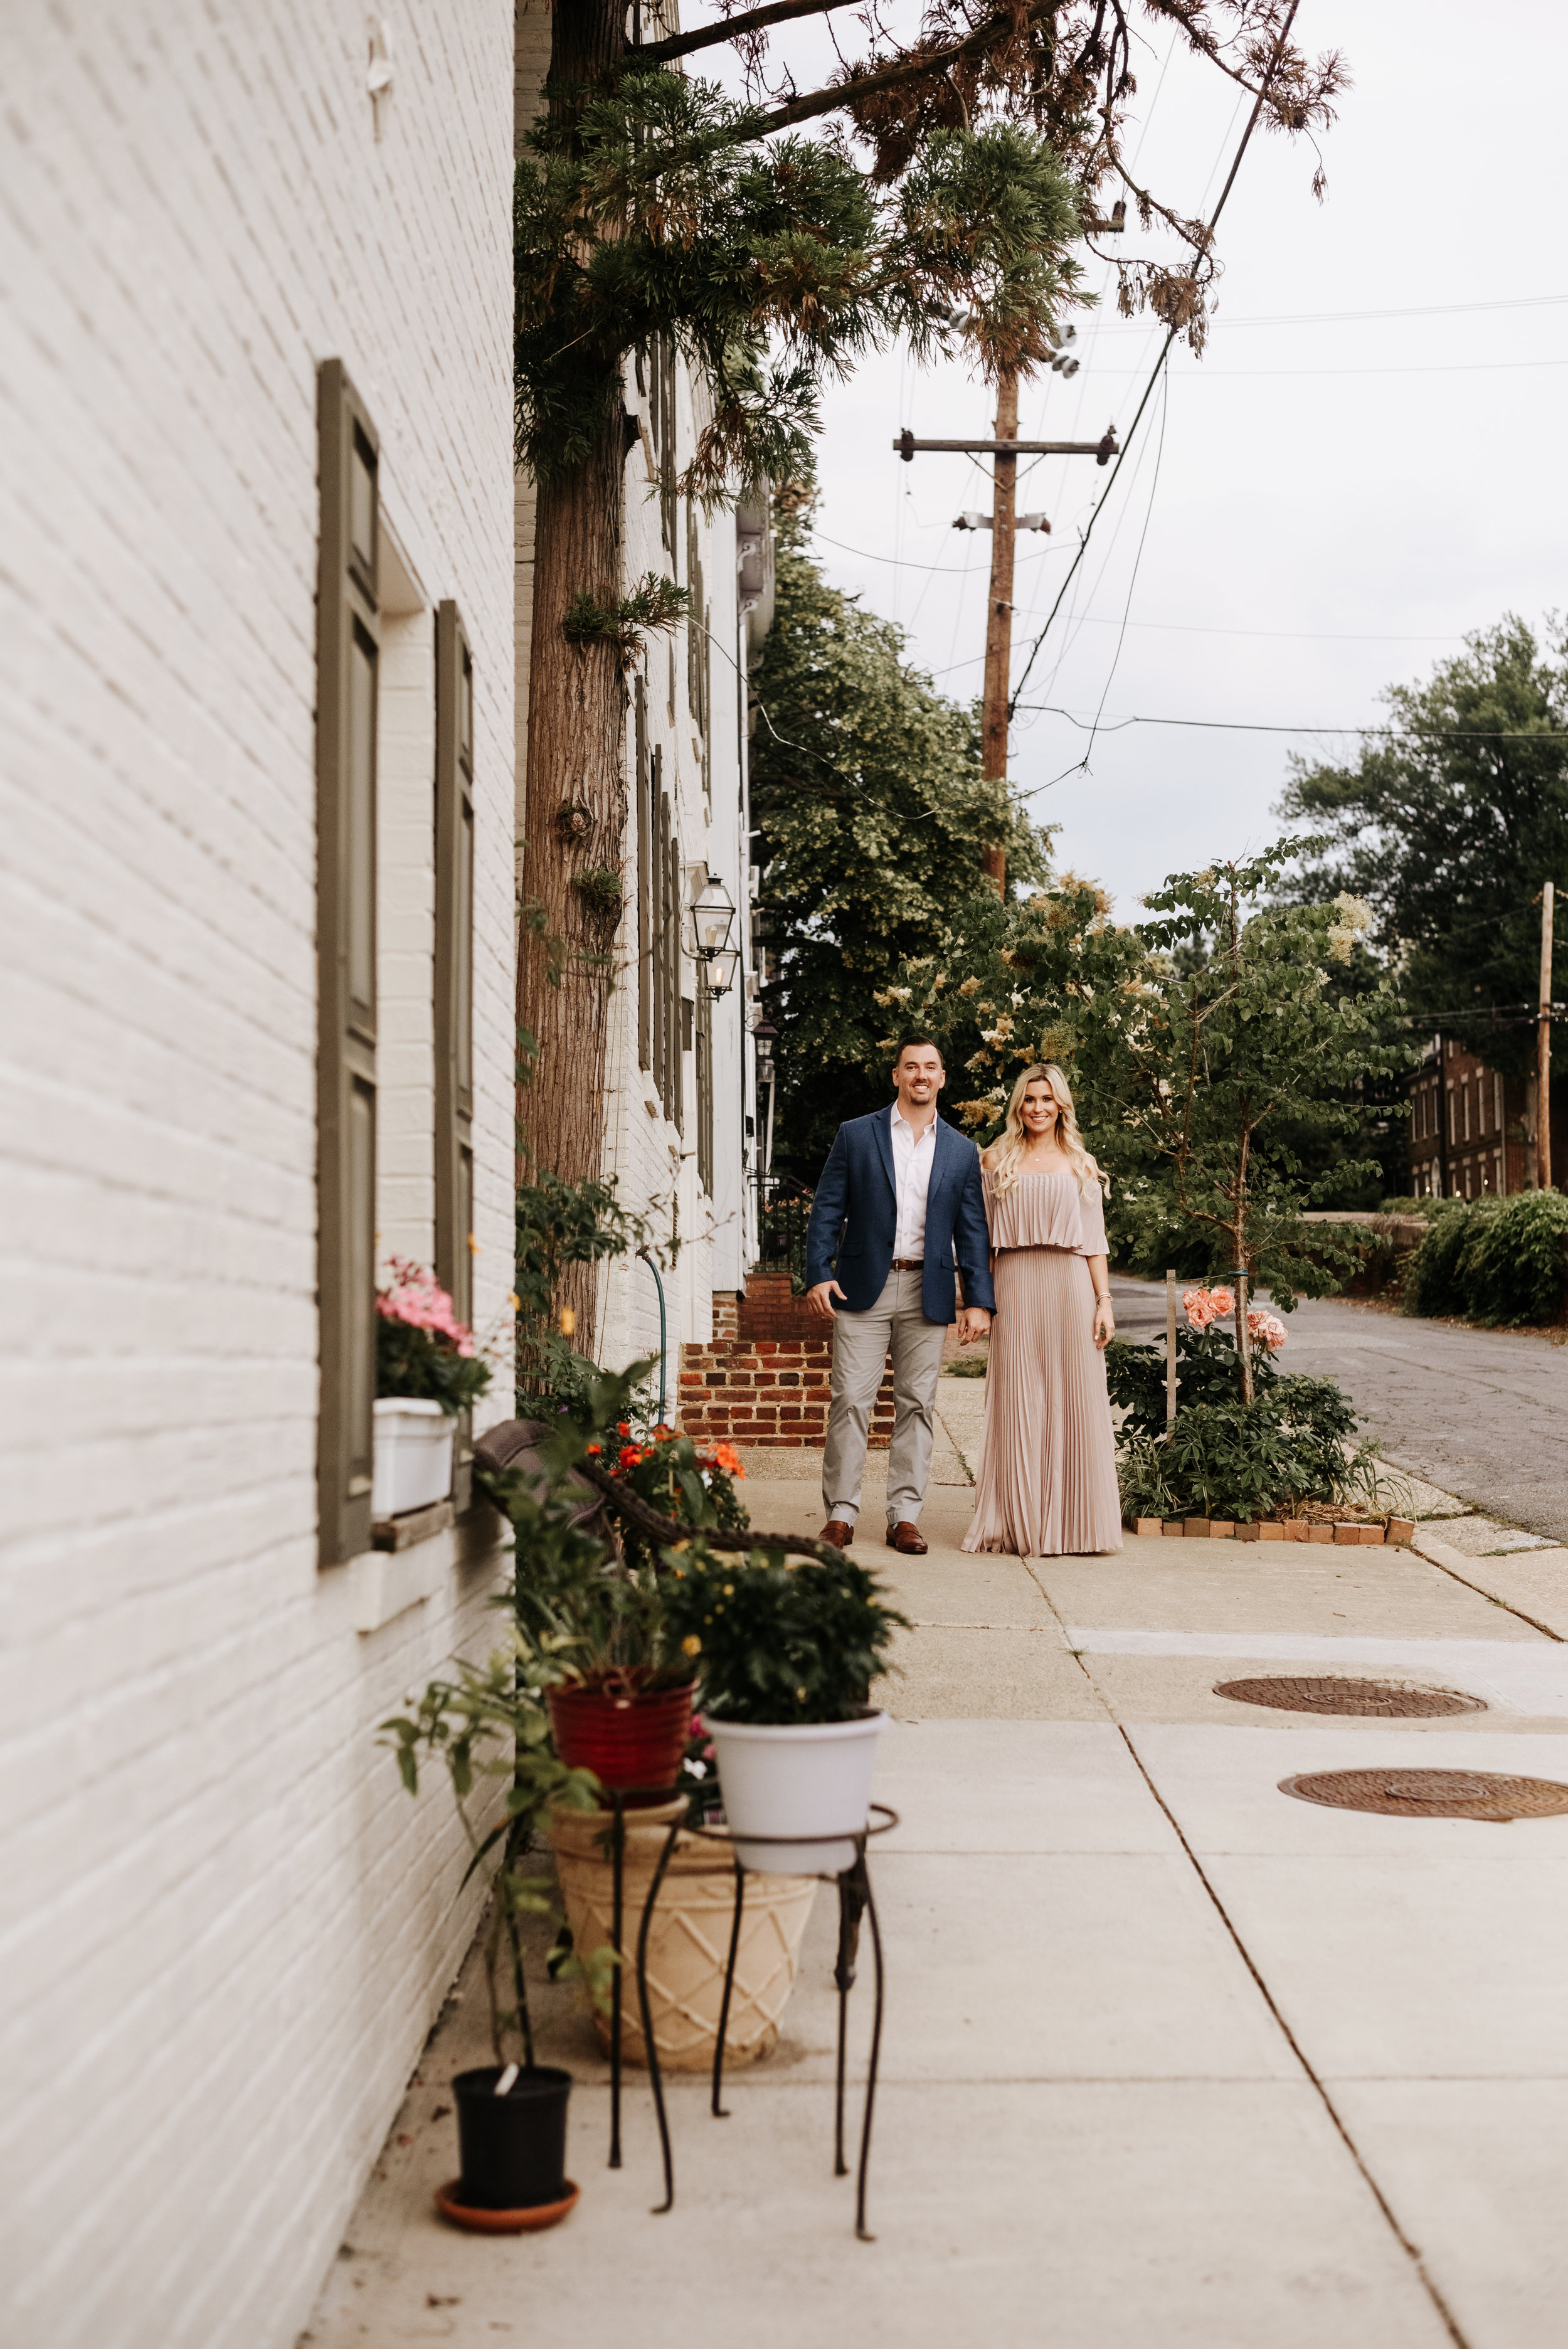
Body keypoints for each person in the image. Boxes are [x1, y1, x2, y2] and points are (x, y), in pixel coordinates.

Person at [804, 1036, 995, 1553]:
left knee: (917, 1404)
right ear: (896, 1076)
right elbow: (826, 1209)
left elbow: (972, 1229)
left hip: (926, 1288)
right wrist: (818, 1272)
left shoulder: (960, 1149)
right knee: (850, 1401)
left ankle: (904, 1516)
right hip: (862, 1286)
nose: (920, 1075)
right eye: (911, 1066)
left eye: (930, 1067)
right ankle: (841, 1514)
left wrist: (978, 1298)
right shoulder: (856, 1135)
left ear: (942, 1077)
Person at [961, 1063, 1123, 1557]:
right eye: (1029, 1099)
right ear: (1018, 1105)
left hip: (1071, 1286)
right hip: (1014, 1286)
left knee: (1072, 1399)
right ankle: (1018, 1522)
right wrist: (978, 1301)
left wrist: (1105, 1301)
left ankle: (1075, 1525)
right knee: (1019, 1401)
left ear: (1061, 1105)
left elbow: (1095, 1243)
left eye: (1047, 1099)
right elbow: (979, 1241)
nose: (1037, 1107)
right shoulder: (994, 1161)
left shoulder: (1081, 1163)